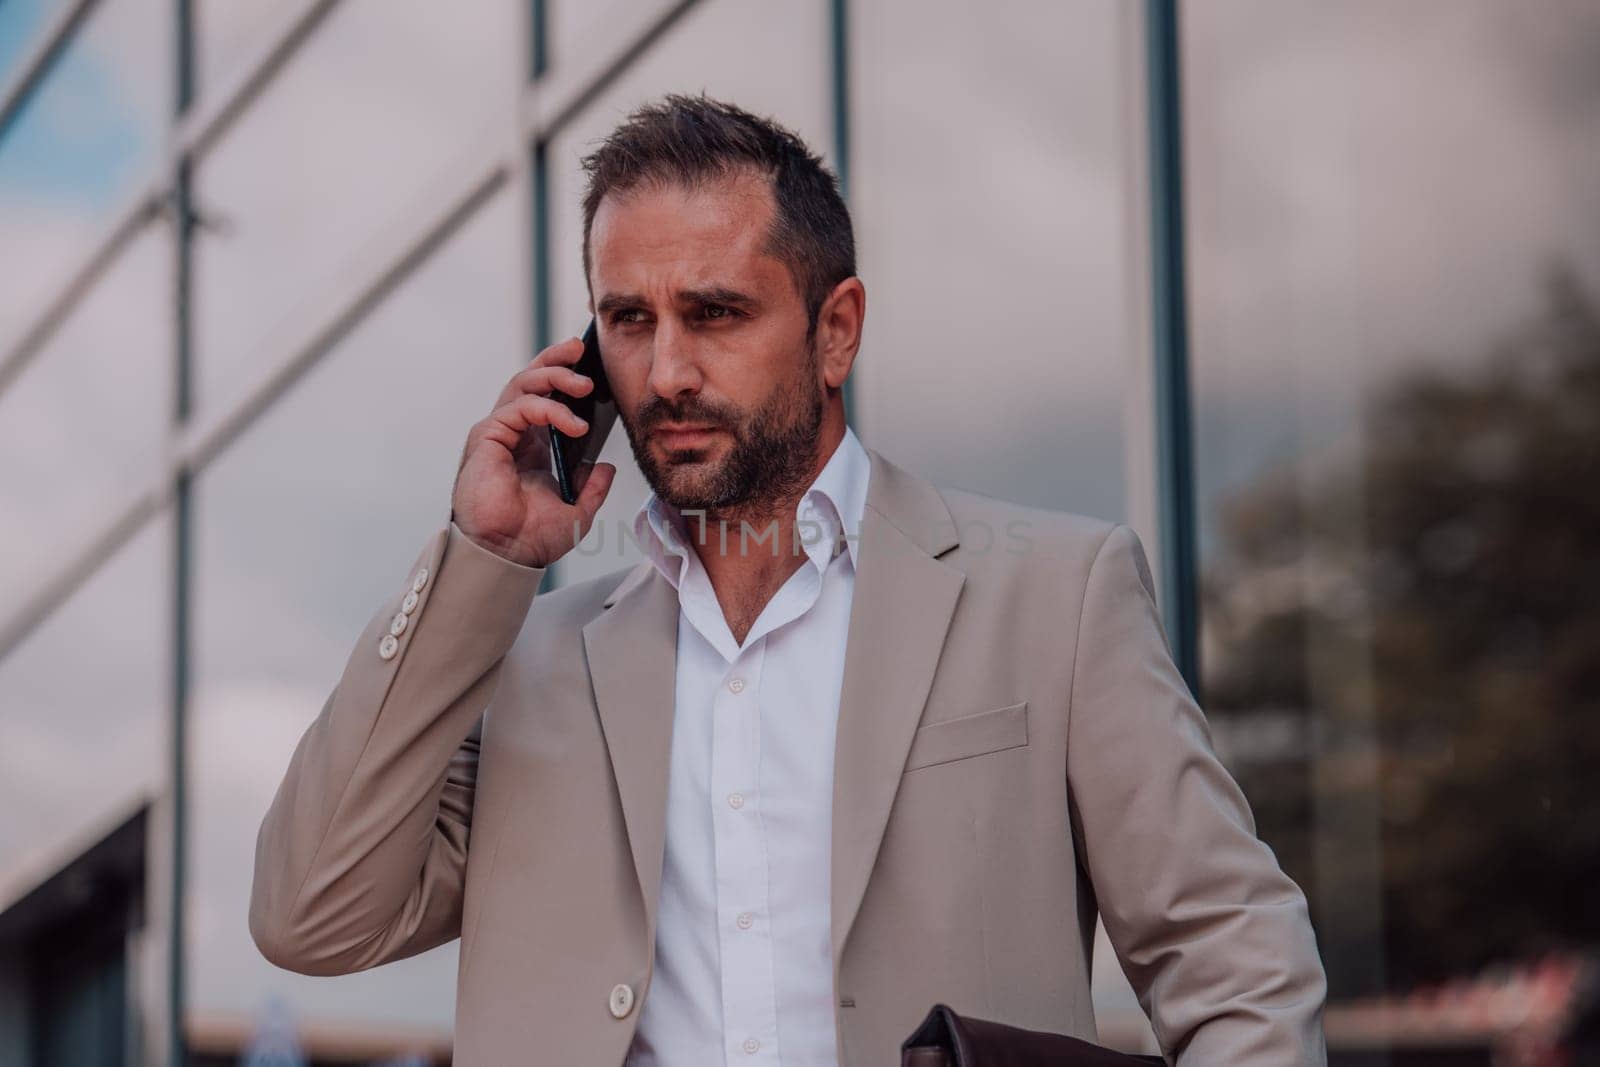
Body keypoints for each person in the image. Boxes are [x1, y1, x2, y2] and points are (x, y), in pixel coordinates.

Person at [248, 93, 1327, 1066]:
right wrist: (477, 560)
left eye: (713, 313)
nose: (665, 370)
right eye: (629, 319)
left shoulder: (1052, 594)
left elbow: (1233, 964)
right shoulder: (530, 665)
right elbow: (312, 911)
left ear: (835, 330)